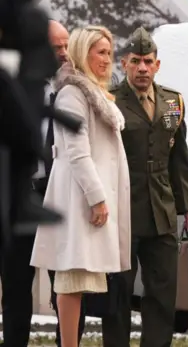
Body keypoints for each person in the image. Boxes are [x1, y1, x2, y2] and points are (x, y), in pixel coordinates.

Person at [30, 25, 132, 347]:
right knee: (71, 278)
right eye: (100, 52)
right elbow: (77, 152)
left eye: (109, 53)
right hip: (77, 197)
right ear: (82, 52)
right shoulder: (74, 92)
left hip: (84, 195)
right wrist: (97, 198)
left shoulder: (92, 90)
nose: (107, 59)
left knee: (77, 279)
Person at [101, 26, 188, 347]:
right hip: (122, 212)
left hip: (162, 211)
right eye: (135, 61)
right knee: (118, 292)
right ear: (125, 64)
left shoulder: (173, 102)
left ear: (157, 65)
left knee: (162, 290)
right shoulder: (110, 101)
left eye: (148, 61)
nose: (142, 68)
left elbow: (178, 158)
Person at [0, 18, 85, 347]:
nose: (63, 53)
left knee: (66, 282)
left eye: (66, 46)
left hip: (61, 195)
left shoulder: (77, 87)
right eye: (56, 47)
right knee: (18, 283)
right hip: (24, 196)